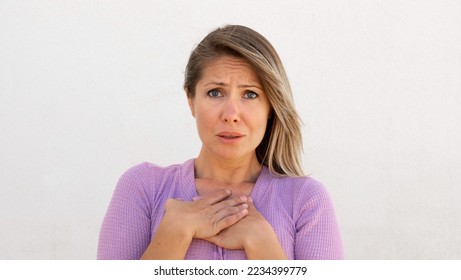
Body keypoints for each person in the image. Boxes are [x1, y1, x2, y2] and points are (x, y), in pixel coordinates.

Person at [97, 25, 343, 260]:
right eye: (215, 92)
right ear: (191, 100)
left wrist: (262, 242)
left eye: (250, 94)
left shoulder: (306, 199)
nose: (231, 114)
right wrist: (174, 233)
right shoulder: (142, 188)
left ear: (271, 107)